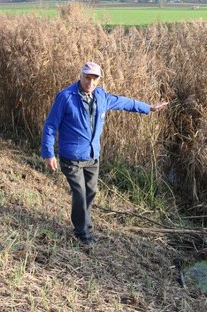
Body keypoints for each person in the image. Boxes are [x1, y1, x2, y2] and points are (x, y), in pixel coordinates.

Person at [41, 62, 168, 246]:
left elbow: (124, 102)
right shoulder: (66, 97)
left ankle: (84, 226)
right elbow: (51, 125)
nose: (90, 82)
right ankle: (83, 233)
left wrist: (148, 108)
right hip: (72, 156)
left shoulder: (101, 96)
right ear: (81, 76)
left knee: (91, 191)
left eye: (94, 79)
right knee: (80, 193)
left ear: (99, 80)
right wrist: (48, 152)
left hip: (93, 156)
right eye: (87, 78)